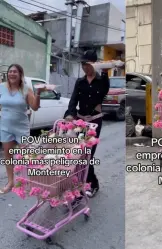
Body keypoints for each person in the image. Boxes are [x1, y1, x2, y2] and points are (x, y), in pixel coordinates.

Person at [64, 50, 110, 197]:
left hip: (94, 121)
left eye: (88, 64)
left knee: (88, 154)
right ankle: (78, 183)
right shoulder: (80, 82)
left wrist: (105, 73)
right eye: (83, 64)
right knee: (78, 154)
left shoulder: (102, 80)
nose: (85, 67)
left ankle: (92, 184)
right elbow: (73, 100)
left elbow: (104, 91)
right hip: (80, 121)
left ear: (94, 64)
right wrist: (70, 114)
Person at [0, 64, 46, 194]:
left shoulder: (26, 89)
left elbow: (35, 107)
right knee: (8, 155)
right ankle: (10, 182)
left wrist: (38, 94)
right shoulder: (1, 87)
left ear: (20, 75)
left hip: (21, 127)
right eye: (10, 71)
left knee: (27, 156)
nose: (12, 74)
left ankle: (31, 181)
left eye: (15, 72)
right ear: (7, 74)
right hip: (5, 127)